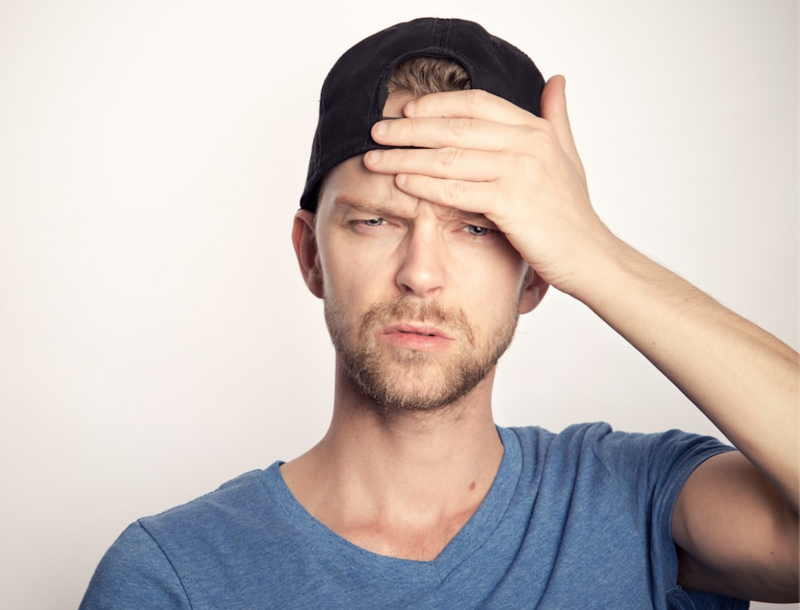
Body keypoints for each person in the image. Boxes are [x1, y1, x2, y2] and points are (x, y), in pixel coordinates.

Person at [79, 17, 800, 609]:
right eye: (375, 222)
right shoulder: (172, 577)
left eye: (477, 228)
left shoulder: (634, 502)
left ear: (536, 278)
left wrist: (598, 255)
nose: (420, 273)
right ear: (310, 256)